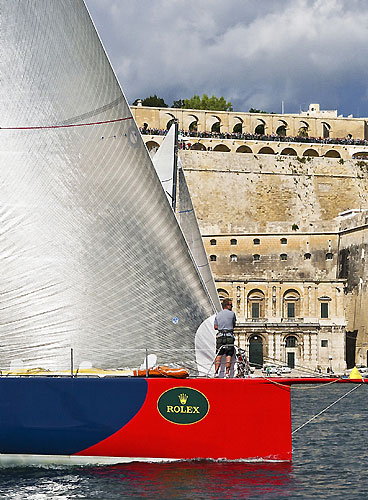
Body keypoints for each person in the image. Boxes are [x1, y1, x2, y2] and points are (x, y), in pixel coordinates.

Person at [214, 298, 236, 378]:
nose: (232, 306)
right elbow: (234, 325)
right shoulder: (232, 314)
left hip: (220, 336)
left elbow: (215, 327)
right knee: (228, 355)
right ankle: (227, 373)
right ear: (227, 305)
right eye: (231, 305)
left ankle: (216, 372)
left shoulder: (218, 315)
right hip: (229, 336)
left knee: (219, 355)